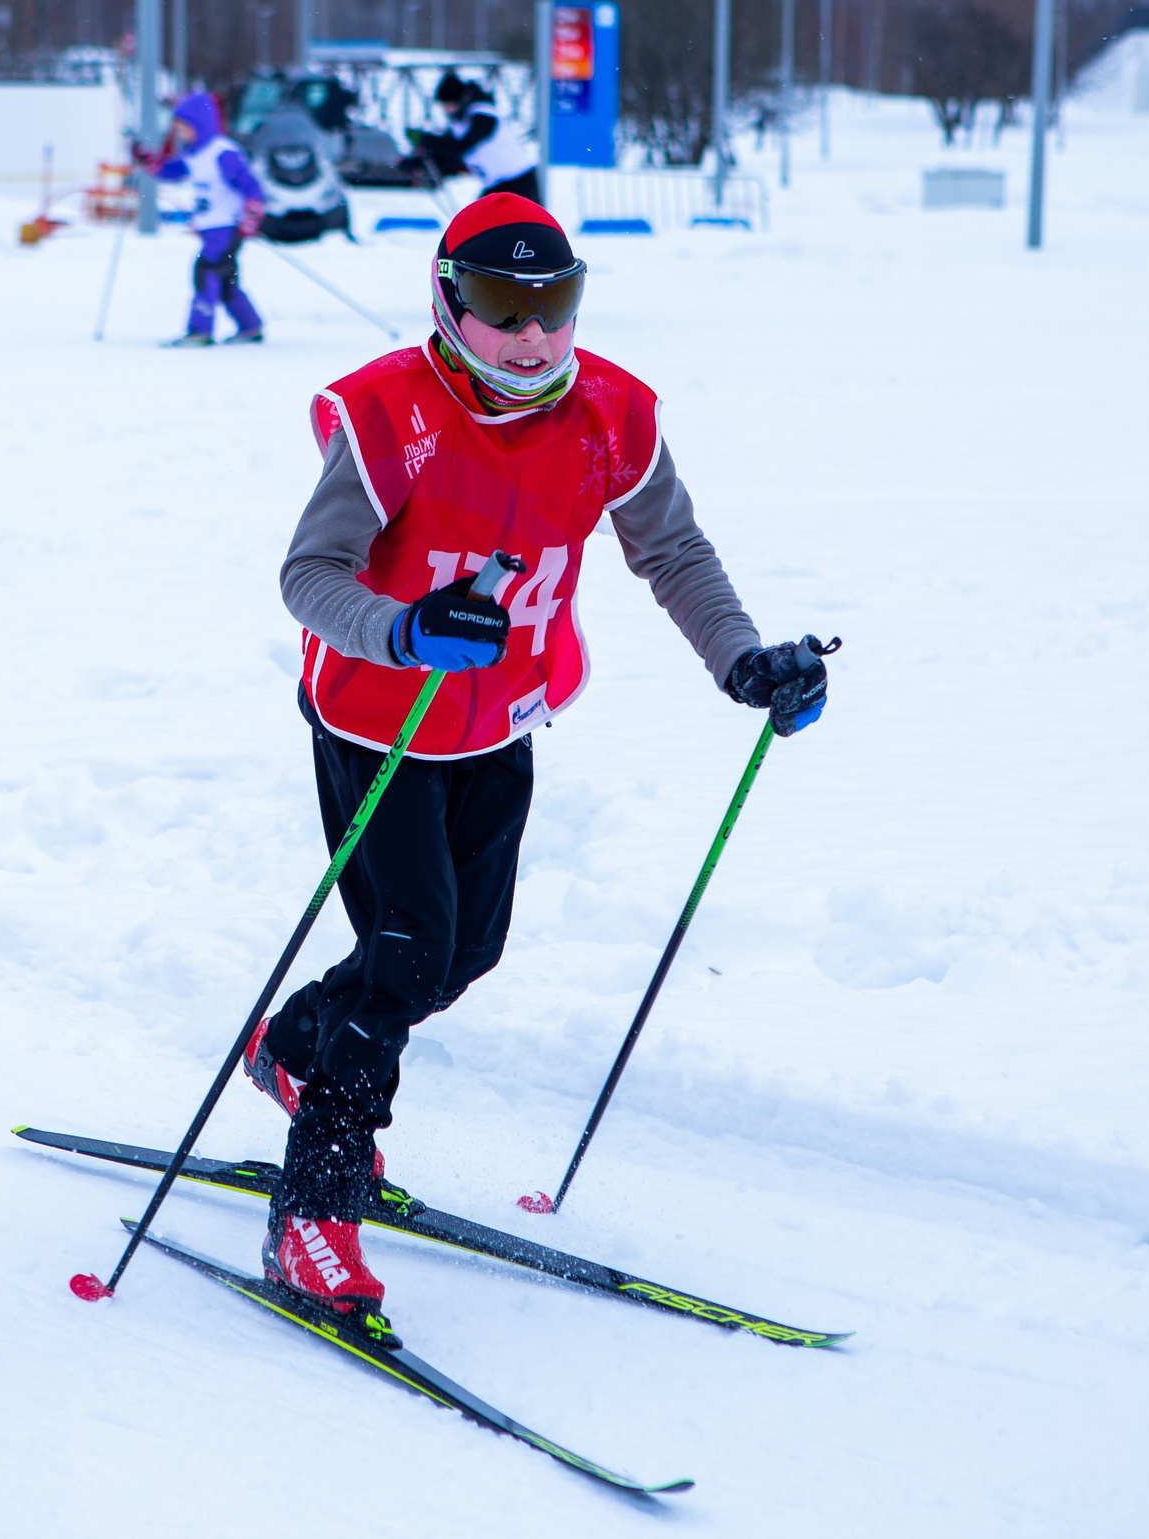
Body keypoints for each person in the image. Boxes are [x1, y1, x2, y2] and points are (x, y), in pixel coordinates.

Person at [243, 192, 831, 1314]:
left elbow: (672, 551)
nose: (532, 338)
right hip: (381, 715)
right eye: (503, 310)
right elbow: (308, 579)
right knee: (409, 949)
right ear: (448, 303)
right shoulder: (387, 418)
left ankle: (297, 1045)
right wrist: (406, 628)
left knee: (465, 955)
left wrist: (743, 659)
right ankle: (313, 1205)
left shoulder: (612, 413)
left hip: (500, 715)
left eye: (552, 307)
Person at [143, 90, 265, 348]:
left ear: (202, 124)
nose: (183, 135)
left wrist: (252, 212)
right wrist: (152, 164)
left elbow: (250, 185)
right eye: (180, 130)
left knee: (206, 271)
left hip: (228, 225)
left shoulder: (222, 153)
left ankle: (200, 330)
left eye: (186, 128)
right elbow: (176, 171)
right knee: (225, 277)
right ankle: (249, 325)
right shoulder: (194, 154)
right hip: (210, 226)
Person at [408, 72, 542, 203]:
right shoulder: (459, 121)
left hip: (519, 179)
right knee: (479, 221)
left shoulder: (483, 115)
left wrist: (427, 140)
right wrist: (418, 162)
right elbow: (451, 154)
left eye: (449, 104)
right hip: (496, 183)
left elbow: (462, 146)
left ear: (460, 98)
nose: (446, 109)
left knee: (519, 223)